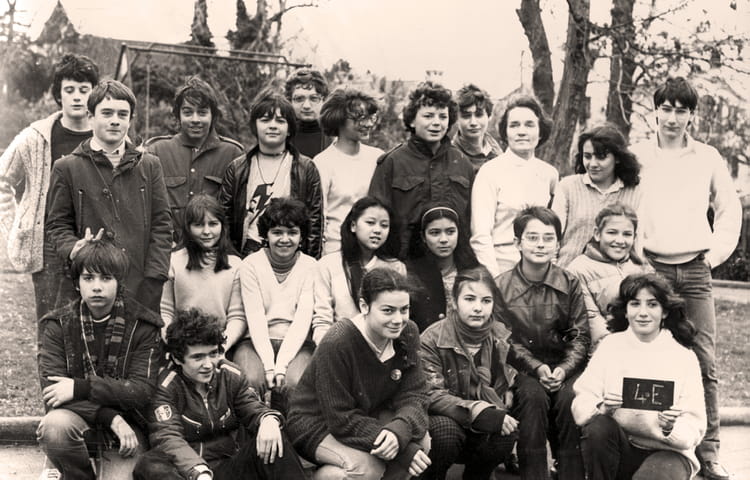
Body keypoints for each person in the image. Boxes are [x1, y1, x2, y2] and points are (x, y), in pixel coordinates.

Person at [630, 76, 741, 480]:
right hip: (652, 268)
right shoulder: (638, 156)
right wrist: (637, 256)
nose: (673, 118)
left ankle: (708, 453)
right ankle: (645, 446)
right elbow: (624, 204)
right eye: (666, 109)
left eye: (682, 111)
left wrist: (714, 256)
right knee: (648, 356)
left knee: (703, 360)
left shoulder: (707, 157)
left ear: (692, 115)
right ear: (655, 111)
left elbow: (729, 209)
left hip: (694, 270)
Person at [287, 268, 432, 480]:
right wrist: (402, 447)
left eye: (404, 309)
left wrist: (399, 431)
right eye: (388, 310)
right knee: (368, 468)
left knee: (422, 441)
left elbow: (415, 394)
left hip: (367, 414)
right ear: (364, 306)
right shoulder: (338, 341)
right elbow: (339, 416)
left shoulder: (408, 331)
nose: (398, 319)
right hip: (318, 423)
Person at [36, 240, 163, 479]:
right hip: (82, 419)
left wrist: (80, 388)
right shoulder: (58, 325)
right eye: (88, 278)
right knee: (55, 427)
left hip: (129, 427)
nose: (96, 287)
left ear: (119, 282)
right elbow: (53, 391)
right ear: (77, 283)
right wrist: (109, 416)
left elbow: (141, 390)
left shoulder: (143, 326)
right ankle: (78, 474)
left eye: (106, 278)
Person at [132, 309, 307, 480]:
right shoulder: (165, 387)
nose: (208, 364)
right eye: (198, 357)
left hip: (229, 466)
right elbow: (168, 437)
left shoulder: (229, 375)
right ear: (177, 358)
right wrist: (199, 472)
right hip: (189, 471)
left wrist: (268, 419)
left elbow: (252, 407)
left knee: (273, 436)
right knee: (149, 465)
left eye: (213, 353)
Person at [45, 79, 172, 312]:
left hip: (139, 286)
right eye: (106, 113)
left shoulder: (150, 165)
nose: (115, 120)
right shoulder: (66, 167)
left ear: (130, 120)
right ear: (90, 116)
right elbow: (56, 225)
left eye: (122, 114)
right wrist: (73, 248)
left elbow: (162, 225)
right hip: (88, 285)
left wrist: (154, 278)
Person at [572, 273, 706, 480]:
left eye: (652, 305)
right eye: (635, 304)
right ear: (625, 311)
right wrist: (603, 408)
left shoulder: (683, 357)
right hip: (623, 446)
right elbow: (582, 402)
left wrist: (670, 427)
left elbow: (695, 426)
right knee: (598, 428)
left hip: (669, 452)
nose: (643, 313)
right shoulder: (610, 346)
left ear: (664, 312)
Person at [0, 53, 99, 319]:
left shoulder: (106, 134)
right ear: (58, 94)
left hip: (96, 242)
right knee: (52, 325)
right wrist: (14, 225)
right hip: (49, 246)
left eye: (84, 90)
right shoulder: (37, 136)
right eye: (69, 90)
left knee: (95, 323)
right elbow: (2, 178)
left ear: (94, 93)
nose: (77, 97)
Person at [494, 206, 589, 480]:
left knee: (571, 399)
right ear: (517, 243)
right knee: (532, 398)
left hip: (564, 366)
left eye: (548, 238)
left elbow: (578, 334)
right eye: (532, 237)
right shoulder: (501, 286)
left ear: (558, 244)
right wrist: (536, 367)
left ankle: (570, 473)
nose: (540, 244)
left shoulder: (569, 282)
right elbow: (504, 338)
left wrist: (564, 369)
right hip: (522, 369)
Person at [419, 266, 518, 479]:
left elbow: (508, 375)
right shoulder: (432, 338)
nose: (478, 308)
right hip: (445, 419)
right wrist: (478, 411)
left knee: (506, 432)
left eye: (486, 301)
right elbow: (431, 394)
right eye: (469, 299)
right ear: (454, 302)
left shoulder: (499, 336)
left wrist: (508, 390)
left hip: (482, 420)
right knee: (445, 433)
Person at [369, 81, 475, 259]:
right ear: (412, 120)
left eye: (443, 116)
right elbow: (376, 219)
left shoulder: (463, 163)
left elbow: (471, 221)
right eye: (428, 116)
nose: (436, 123)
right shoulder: (392, 163)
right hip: (405, 262)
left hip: (453, 263)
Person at [232, 198, 317, 411]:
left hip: (298, 343)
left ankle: (290, 432)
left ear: (301, 236)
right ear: (266, 234)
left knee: (295, 382)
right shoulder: (250, 265)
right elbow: (255, 317)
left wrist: (281, 367)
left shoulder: (311, 267)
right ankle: (255, 431)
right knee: (250, 379)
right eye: (277, 232)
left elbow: (302, 320)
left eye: (292, 232)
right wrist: (270, 367)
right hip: (254, 341)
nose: (284, 239)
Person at [219, 90, 323, 258]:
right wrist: (231, 260)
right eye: (265, 120)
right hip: (246, 254)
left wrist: (309, 263)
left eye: (280, 121)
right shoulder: (237, 168)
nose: (273, 126)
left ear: (289, 129)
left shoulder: (306, 168)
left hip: (290, 253)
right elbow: (224, 220)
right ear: (255, 126)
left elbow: (314, 224)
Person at [471, 94, 559, 277]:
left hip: (540, 270)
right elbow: (480, 236)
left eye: (529, 125)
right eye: (514, 125)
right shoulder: (490, 172)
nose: (521, 132)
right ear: (505, 132)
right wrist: (495, 281)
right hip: (502, 268)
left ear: (540, 132)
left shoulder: (549, 174)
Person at [146, 76, 244, 241]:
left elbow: (238, 215)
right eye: (188, 112)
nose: (195, 119)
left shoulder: (233, 154)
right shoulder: (157, 151)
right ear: (178, 115)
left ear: (213, 115)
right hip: (169, 248)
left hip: (215, 249)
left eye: (202, 112)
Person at [312, 196, 405, 345]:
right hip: (338, 346)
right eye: (370, 223)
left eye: (384, 225)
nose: (377, 230)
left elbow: (397, 318)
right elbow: (322, 319)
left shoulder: (395, 267)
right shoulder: (328, 265)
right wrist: (327, 350)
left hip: (381, 347)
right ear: (353, 226)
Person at [160, 194, 245, 351]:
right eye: (199, 225)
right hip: (181, 345)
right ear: (188, 227)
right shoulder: (174, 261)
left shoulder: (236, 265)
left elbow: (237, 316)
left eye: (213, 224)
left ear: (223, 226)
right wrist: (175, 346)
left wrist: (220, 348)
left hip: (220, 344)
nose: (207, 231)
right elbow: (165, 311)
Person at [551, 123, 642, 267]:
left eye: (601, 157)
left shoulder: (635, 191)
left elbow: (637, 243)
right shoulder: (567, 187)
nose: (592, 164)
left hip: (616, 276)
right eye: (587, 156)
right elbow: (552, 237)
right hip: (568, 273)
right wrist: (553, 274)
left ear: (617, 158)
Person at [566, 204, 653, 346]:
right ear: (597, 234)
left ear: (634, 237)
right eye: (612, 233)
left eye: (627, 234)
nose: (620, 240)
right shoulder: (578, 270)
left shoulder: (641, 266)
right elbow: (592, 321)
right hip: (607, 347)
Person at [315, 88, 384, 255]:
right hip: (335, 251)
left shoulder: (378, 157)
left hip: (372, 251)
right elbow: (319, 217)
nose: (368, 124)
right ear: (338, 119)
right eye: (360, 118)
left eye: (370, 117)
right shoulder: (322, 162)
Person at [406, 204, 479, 332]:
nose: (444, 240)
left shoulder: (473, 271)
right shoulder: (411, 275)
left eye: (450, 232)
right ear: (423, 237)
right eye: (435, 233)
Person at [451, 84, 501, 171]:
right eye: (466, 116)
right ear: (456, 119)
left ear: (488, 116)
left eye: (479, 115)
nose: (473, 122)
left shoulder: (495, 147)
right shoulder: (451, 156)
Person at [284, 67, 332, 158]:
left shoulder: (335, 138)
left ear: (324, 100)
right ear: (290, 101)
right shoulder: (282, 137)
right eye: (299, 99)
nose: (307, 106)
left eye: (314, 98)